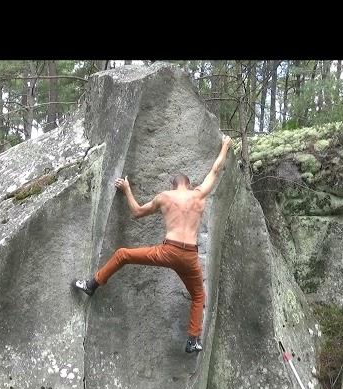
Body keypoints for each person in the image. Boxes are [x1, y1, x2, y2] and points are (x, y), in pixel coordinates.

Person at [74, 135, 233, 353]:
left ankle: (92, 285)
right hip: (189, 257)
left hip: (167, 251)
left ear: (173, 184)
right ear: (188, 183)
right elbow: (215, 170)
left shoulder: (164, 197)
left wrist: (127, 188)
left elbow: (137, 212)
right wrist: (225, 145)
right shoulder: (199, 195)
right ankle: (192, 340)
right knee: (198, 296)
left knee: (123, 254)